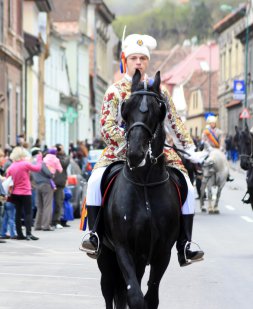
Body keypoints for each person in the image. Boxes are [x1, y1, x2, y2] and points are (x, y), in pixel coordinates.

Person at [80, 33, 205, 267]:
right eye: (134, 57)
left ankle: (185, 244)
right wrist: (130, 145)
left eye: (142, 58)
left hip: (157, 152)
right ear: (124, 59)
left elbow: (174, 122)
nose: (138, 62)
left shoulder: (160, 91)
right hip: (120, 151)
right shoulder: (115, 91)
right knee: (94, 181)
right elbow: (106, 125)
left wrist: (189, 147)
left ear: (147, 62)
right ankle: (95, 235)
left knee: (186, 184)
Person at [6, 146, 43, 240]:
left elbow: (8, 179)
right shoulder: (25, 164)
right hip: (26, 192)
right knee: (28, 213)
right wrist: (39, 159)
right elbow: (37, 168)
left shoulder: (11, 167)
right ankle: (28, 234)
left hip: (15, 193)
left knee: (17, 213)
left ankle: (19, 234)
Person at [202, 115, 234, 181]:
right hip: (208, 149)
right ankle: (200, 173)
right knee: (202, 159)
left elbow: (222, 140)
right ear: (209, 124)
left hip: (218, 149)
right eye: (211, 123)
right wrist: (209, 147)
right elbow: (204, 140)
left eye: (213, 123)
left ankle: (228, 174)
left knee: (225, 159)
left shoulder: (219, 132)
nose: (212, 124)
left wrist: (221, 147)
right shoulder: (206, 132)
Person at [52, 144, 70, 229]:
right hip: (54, 183)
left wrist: (62, 154)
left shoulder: (61, 158)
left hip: (59, 184)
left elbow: (65, 163)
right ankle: (54, 221)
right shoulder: (54, 157)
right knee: (55, 204)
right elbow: (64, 163)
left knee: (59, 203)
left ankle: (57, 220)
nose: (60, 150)